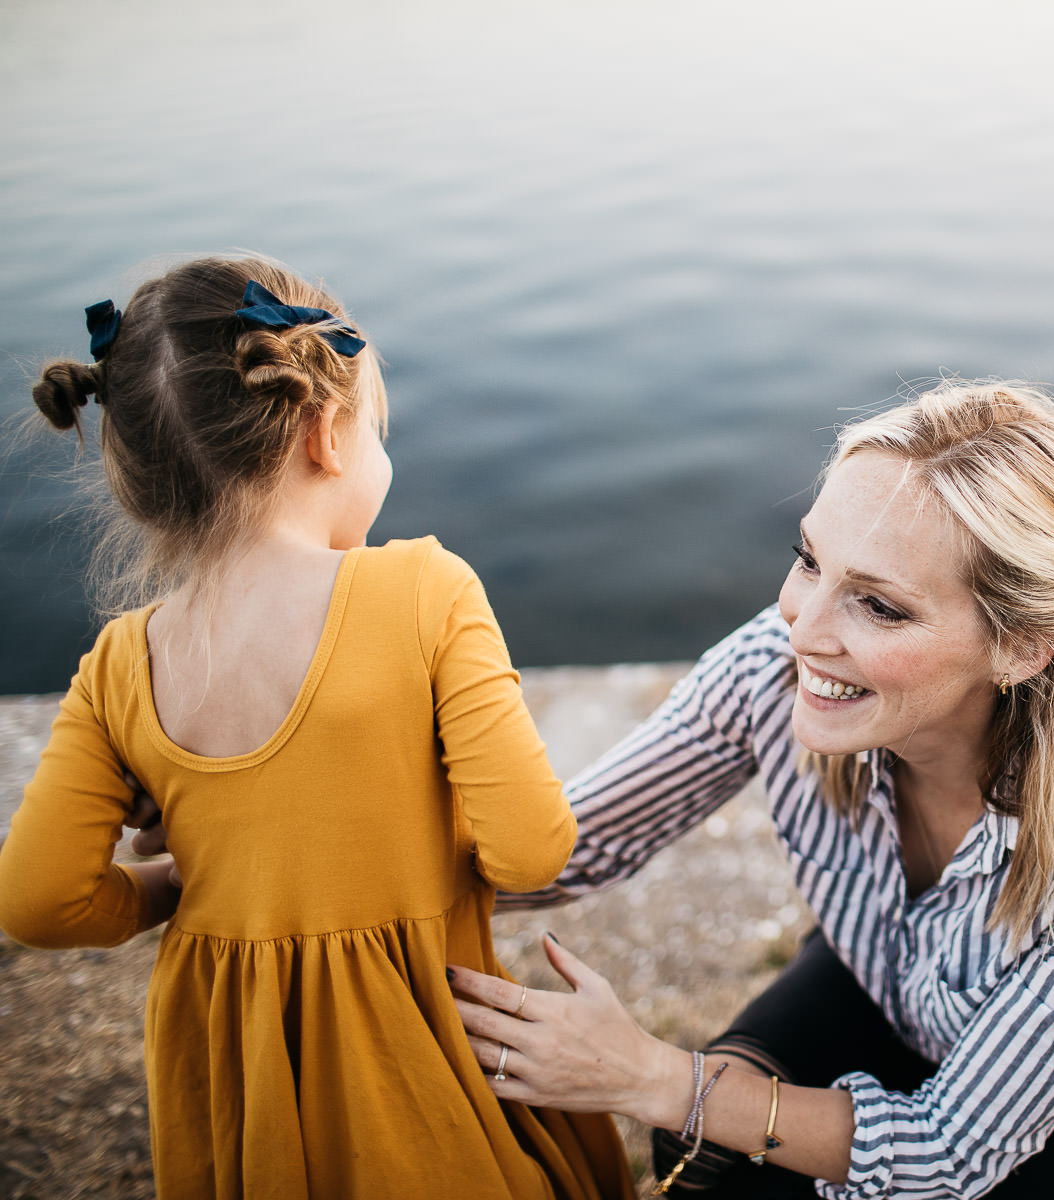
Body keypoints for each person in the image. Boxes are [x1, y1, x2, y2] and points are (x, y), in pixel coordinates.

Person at [448, 381, 1054, 1199]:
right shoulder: (773, 663)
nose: (801, 629)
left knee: (704, 1114)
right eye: (808, 560)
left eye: (880, 607)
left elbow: (948, 1152)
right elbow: (577, 846)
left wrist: (649, 1075)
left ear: (1021, 648)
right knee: (705, 1170)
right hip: (884, 987)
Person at [0, 256, 632, 1199]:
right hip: (431, 1071)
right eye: (377, 428)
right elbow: (533, 849)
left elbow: (39, 902)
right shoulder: (425, 590)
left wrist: (179, 879)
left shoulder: (118, 667)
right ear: (323, 432)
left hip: (246, 1098)